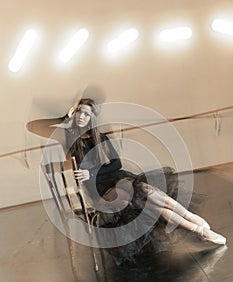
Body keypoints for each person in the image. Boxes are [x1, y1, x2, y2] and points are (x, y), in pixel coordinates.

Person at [27, 98, 226, 251]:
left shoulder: (101, 136)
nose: (81, 117)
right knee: (144, 194)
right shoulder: (67, 137)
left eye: (86, 114)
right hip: (99, 190)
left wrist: (91, 171)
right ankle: (199, 228)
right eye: (79, 112)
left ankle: (194, 222)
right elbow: (32, 126)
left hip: (117, 178)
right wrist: (64, 118)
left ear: (92, 118)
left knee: (147, 194)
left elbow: (116, 164)